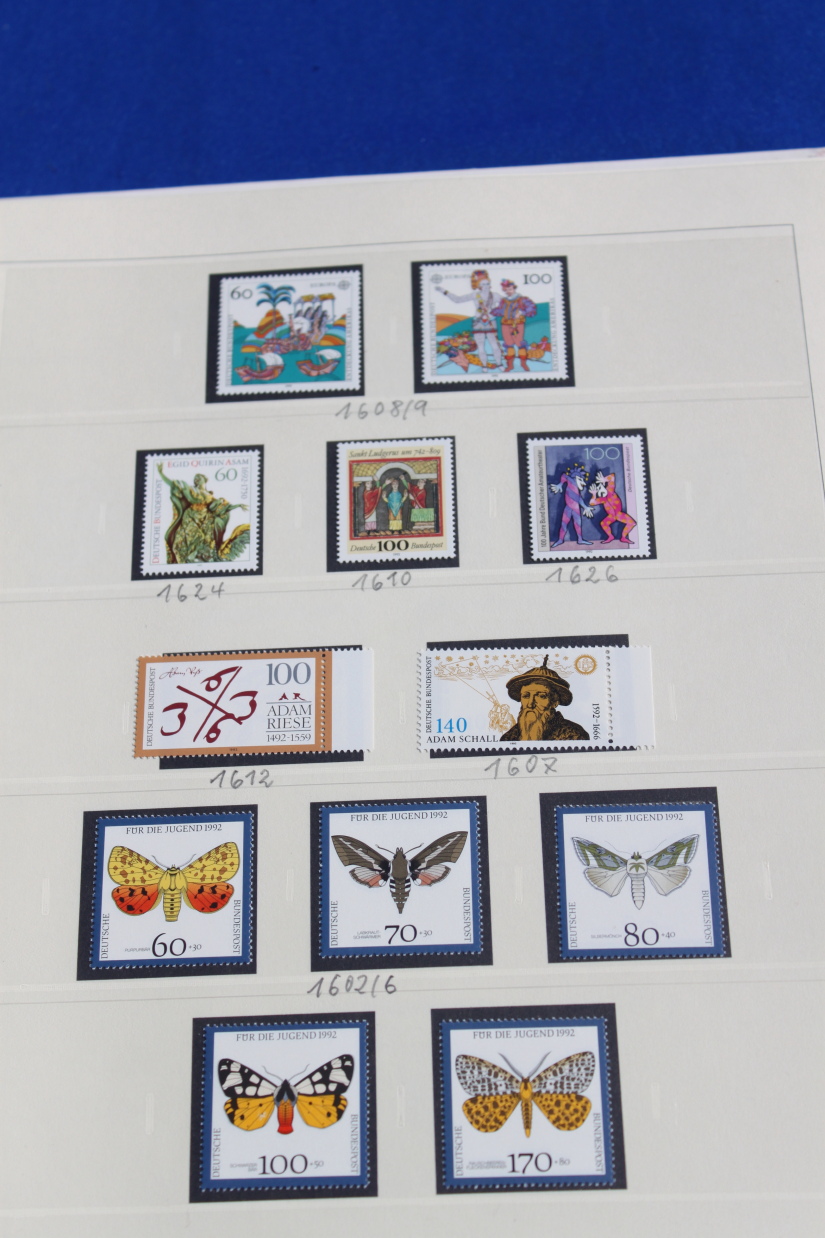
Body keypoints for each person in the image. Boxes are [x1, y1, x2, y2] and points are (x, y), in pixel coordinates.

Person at [157, 465, 249, 564]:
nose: (196, 479)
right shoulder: (191, 489)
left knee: (204, 541)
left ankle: (199, 559)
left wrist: (238, 505)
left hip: (206, 519)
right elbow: (173, 484)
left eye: (198, 477)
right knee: (186, 538)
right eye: (195, 478)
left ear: (205, 479)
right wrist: (161, 474)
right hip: (191, 516)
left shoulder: (210, 495)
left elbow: (223, 508)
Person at [499, 656, 590, 741]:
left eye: (541, 696)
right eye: (526, 696)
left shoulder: (573, 734)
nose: (530, 704)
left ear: (554, 702)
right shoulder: (509, 737)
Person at [437, 269, 503, 370]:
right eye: (483, 284)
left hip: (491, 321)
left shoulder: (495, 295)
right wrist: (444, 292)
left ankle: (500, 364)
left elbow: (506, 305)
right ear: (479, 286)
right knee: (480, 346)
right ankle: (484, 366)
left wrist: (494, 310)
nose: (486, 286)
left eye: (487, 283)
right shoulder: (475, 295)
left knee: (495, 345)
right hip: (478, 322)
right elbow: (458, 300)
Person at [492, 278, 537, 371]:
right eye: (506, 290)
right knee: (508, 344)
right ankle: (510, 365)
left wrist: (521, 312)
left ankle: (523, 364)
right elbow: (500, 310)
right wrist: (490, 312)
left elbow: (531, 308)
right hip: (505, 324)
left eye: (510, 289)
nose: (508, 291)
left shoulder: (522, 299)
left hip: (517, 324)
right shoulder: (504, 300)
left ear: (514, 288)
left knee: (520, 343)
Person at [549, 462, 595, 547]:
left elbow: (578, 498)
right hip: (569, 508)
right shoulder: (571, 481)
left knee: (577, 525)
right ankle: (560, 540)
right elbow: (564, 475)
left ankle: (580, 539)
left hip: (575, 508)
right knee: (564, 524)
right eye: (580, 480)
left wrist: (585, 507)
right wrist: (560, 484)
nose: (583, 483)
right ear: (576, 478)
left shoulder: (576, 488)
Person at [587, 470, 636, 544]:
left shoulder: (610, 490)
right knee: (603, 523)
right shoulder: (602, 499)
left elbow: (612, 476)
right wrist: (594, 494)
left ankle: (623, 537)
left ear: (604, 486)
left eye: (600, 488)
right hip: (611, 516)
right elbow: (592, 502)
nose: (600, 491)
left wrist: (604, 479)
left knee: (632, 523)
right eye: (598, 491)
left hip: (619, 514)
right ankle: (610, 536)